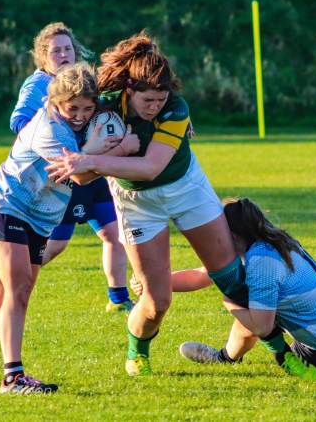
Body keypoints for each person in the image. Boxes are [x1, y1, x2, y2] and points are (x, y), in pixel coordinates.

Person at [0, 63, 139, 394]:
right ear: (56, 101)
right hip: (7, 205)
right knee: (18, 291)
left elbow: (99, 144)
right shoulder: (49, 128)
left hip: (40, 218)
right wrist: (122, 149)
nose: (80, 116)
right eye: (72, 108)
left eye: (87, 108)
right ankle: (13, 378)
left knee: (5, 305)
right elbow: (79, 175)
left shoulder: (90, 120)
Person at [45, 32, 240, 377]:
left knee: (231, 277)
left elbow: (150, 167)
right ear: (129, 91)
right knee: (157, 301)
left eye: (161, 99)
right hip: (136, 203)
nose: (155, 107)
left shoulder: (176, 108)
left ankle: (273, 349)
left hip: (186, 189)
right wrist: (88, 161)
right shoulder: (104, 106)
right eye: (148, 99)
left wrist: (92, 161)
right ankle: (138, 353)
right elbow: (81, 178)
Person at [133, 198, 316, 379]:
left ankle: (232, 359)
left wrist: (231, 303)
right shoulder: (271, 239)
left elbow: (261, 326)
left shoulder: (261, 263)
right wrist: (152, 282)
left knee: (246, 306)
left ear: (231, 235)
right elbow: (201, 275)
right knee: (253, 303)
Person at [0, 22, 133, 312]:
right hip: (61, 172)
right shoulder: (38, 84)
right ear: (43, 56)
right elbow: (19, 121)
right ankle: (2, 284)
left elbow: (117, 100)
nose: (64, 54)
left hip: (94, 168)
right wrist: (51, 136)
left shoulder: (85, 81)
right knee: (56, 244)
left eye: (68, 48)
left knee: (115, 234)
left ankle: (118, 299)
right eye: (56, 51)